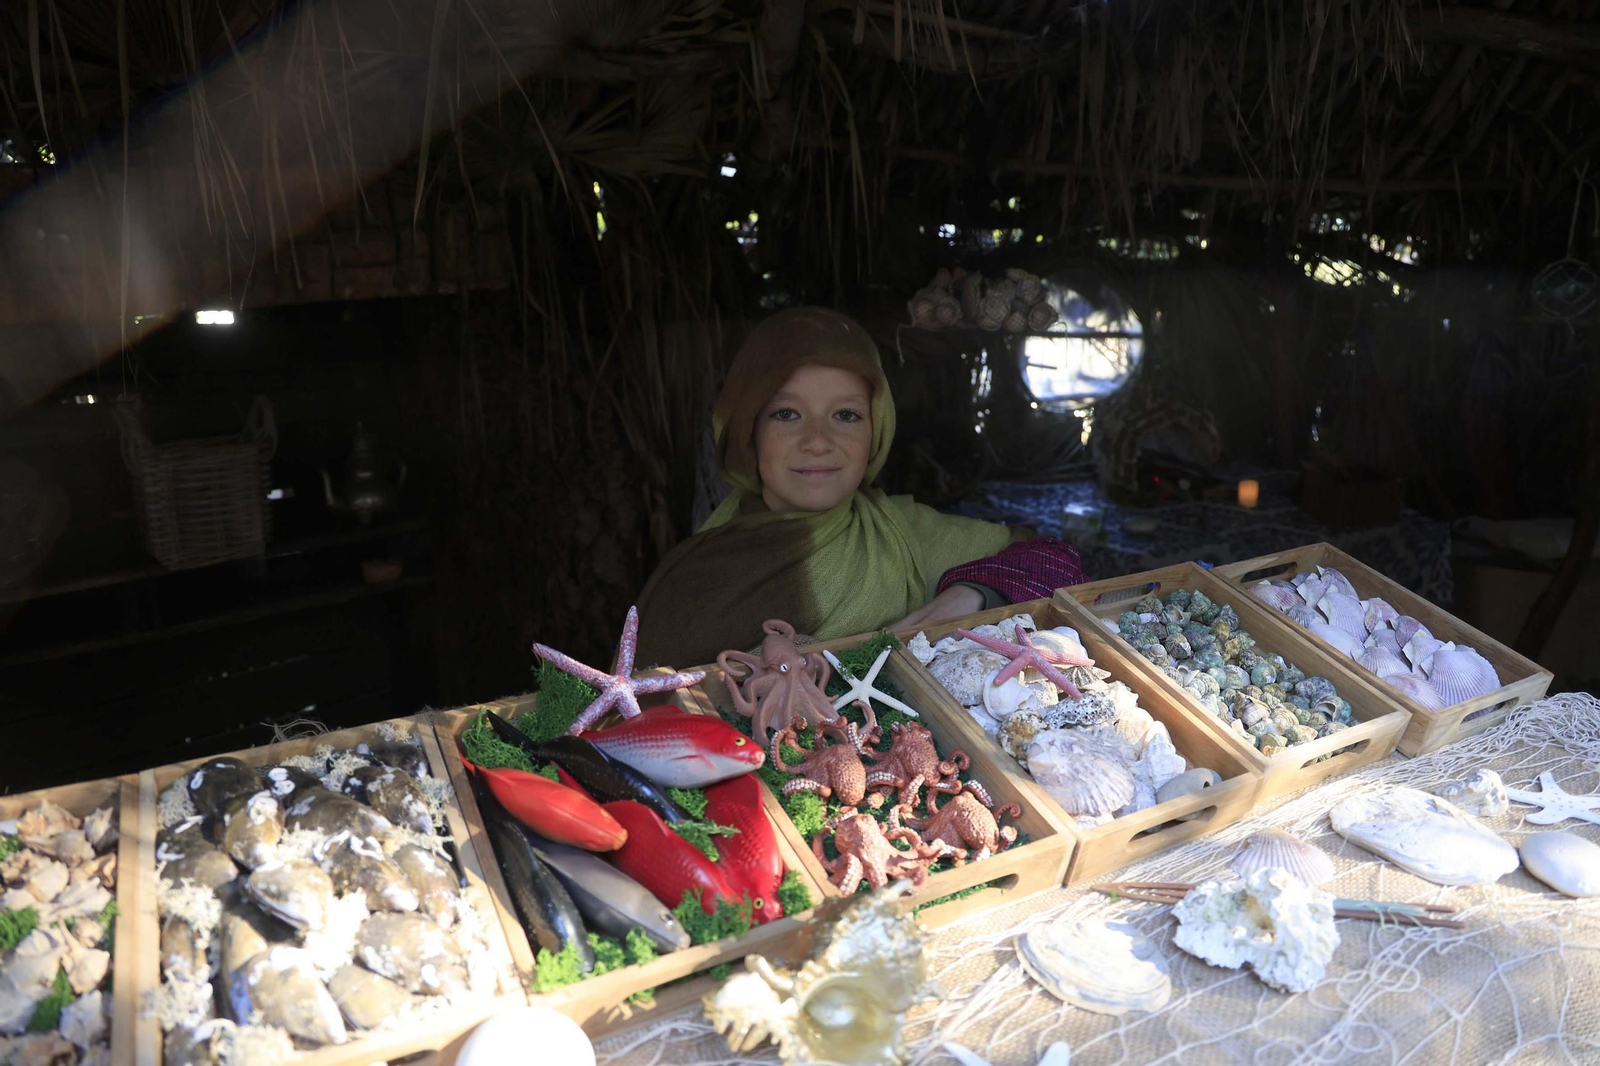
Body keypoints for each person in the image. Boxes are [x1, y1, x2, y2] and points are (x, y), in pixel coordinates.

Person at [635, 306, 1085, 667]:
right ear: (746, 432)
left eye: (846, 415)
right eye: (785, 414)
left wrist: (976, 592)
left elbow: (1056, 563)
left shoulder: (905, 533)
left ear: (877, 430)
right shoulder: (695, 579)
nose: (817, 442)